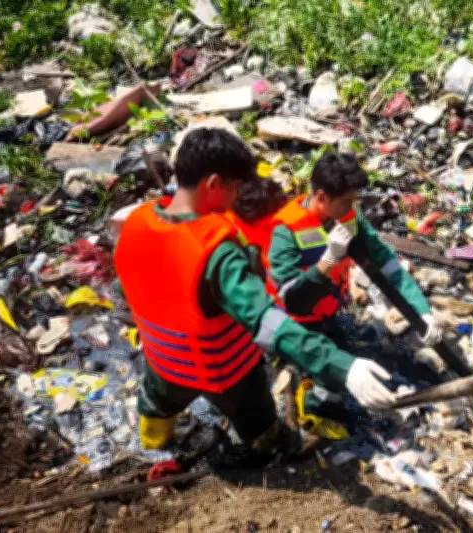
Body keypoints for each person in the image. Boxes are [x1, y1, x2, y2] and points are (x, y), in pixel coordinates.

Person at [113, 128, 396, 455]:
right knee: (260, 426)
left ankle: (152, 449)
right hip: (224, 373)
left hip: (161, 362)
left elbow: (128, 287)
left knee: (154, 407)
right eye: (234, 186)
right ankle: (268, 452)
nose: (237, 196)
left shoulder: (136, 222)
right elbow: (267, 322)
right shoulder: (216, 254)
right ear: (213, 184)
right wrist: (342, 366)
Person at [265, 152, 442, 415]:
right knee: (332, 376)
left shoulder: (347, 216)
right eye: (347, 202)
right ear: (322, 197)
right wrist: (326, 262)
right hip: (296, 322)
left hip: (330, 307)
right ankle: (314, 407)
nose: (352, 209)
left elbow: (386, 262)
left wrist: (421, 310)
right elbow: (294, 301)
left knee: (345, 353)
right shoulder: (285, 233)